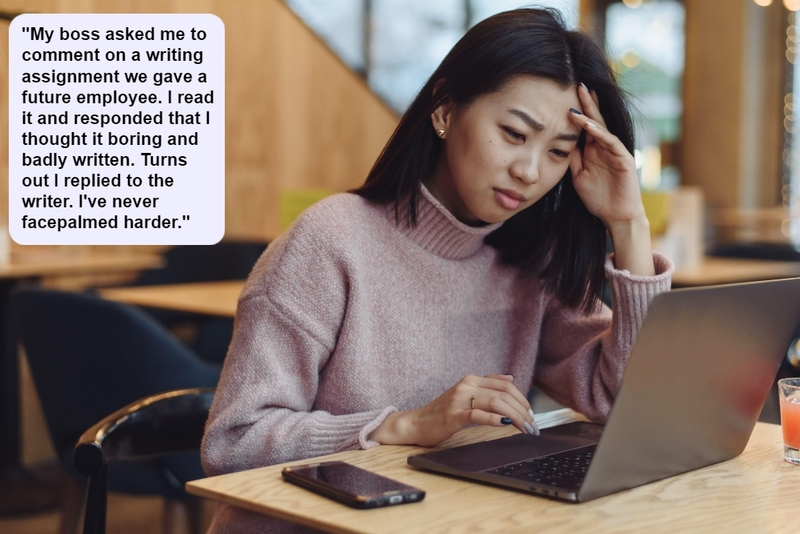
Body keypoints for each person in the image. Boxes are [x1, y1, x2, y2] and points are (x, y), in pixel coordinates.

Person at [201, 7, 673, 532]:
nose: (530, 170)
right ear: (445, 111)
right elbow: (234, 441)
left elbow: (624, 404)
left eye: (559, 152)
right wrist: (405, 425)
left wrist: (628, 223)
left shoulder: (530, 261)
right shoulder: (331, 240)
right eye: (515, 134)